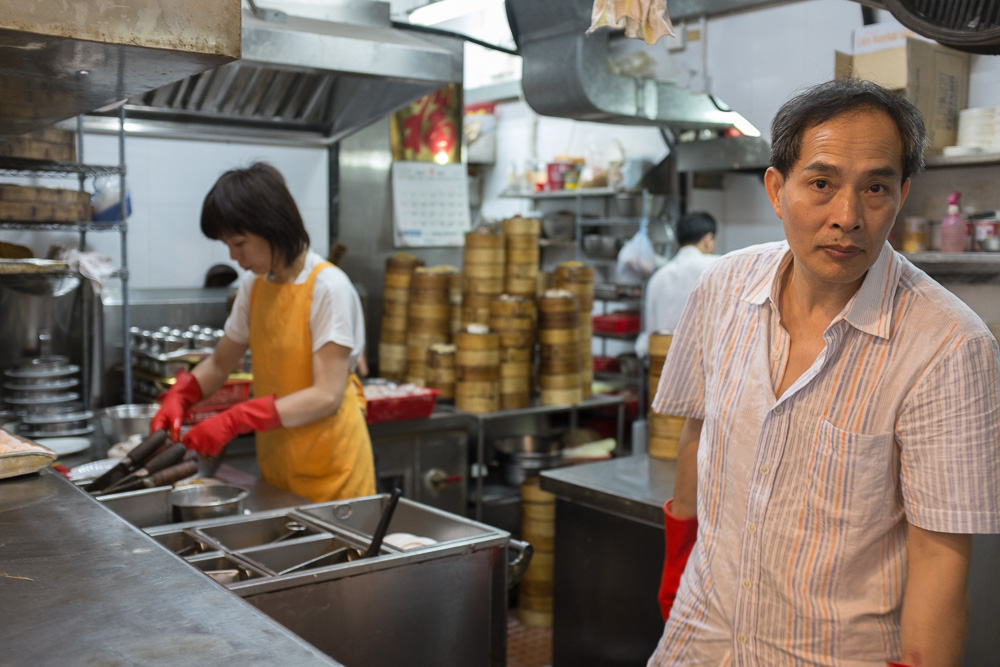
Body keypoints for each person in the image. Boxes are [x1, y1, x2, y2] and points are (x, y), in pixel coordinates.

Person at [649, 78, 1000, 666]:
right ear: (776, 188)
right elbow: (696, 433)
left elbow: (940, 555)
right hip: (700, 637)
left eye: (876, 188)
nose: (848, 217)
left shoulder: (950, 345)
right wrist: (677, 569)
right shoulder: (721, 287)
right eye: (821, 183)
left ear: (902, 195)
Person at [151, 162, 376, 502]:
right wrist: (182, 394)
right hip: (278, 468)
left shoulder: (328, 288)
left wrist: (235, 419)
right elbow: (220, 364)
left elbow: (326, 396)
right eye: (227, 244)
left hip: (333, 476)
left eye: (239, 243)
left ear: (273, 228)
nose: (233, 256)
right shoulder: (254, 286)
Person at [635, 211, 719, 359]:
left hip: (663, 360)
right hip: (703, 362)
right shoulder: (716, 267)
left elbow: (650, 332)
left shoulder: (658, 277)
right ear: (708, 239)